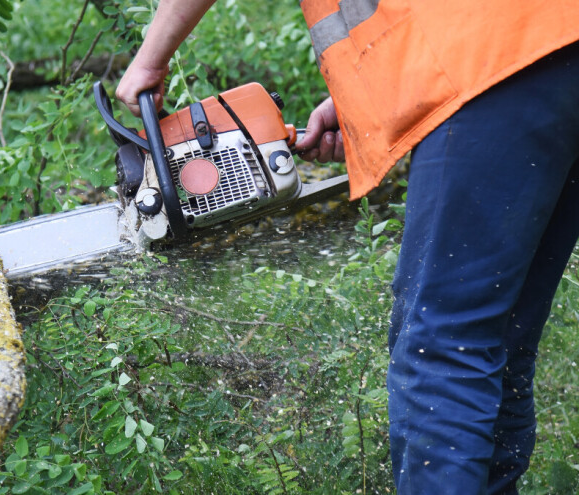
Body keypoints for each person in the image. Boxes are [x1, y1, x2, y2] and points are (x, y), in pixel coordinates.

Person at [114, 1, 579, 493]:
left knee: (441, 345)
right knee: (499, 335)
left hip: (489, 57)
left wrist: (151, 58)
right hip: (551, 40)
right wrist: (374, 87)